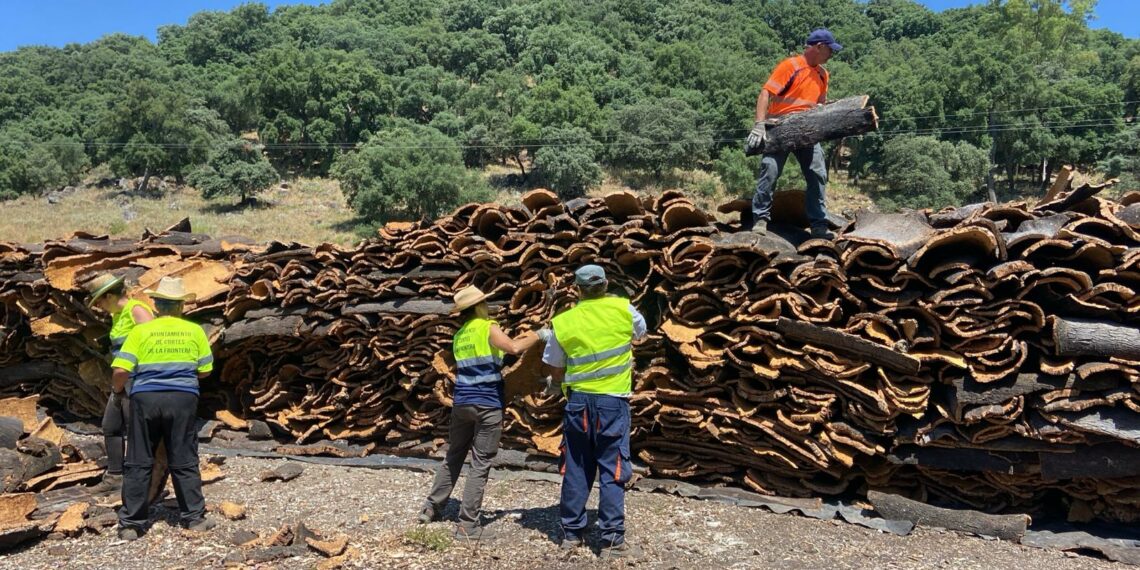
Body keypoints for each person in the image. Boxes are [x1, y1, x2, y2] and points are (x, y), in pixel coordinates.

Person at [418, 285, 549, 540]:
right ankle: (468, 525)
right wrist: (539, 334)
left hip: (462, 402)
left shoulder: (460, 335)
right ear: (478, 306)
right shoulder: (487, 327)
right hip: (487, 403)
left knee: (454, 456)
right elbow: (512, 348)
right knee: (480, 464)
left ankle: (431, 507)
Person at [542, 265, 647, 559]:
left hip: (578, 404)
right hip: (612, 403)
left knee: (576, 465)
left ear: (577, 289)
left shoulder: (564, 322)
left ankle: (572, 534)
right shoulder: (623, 309)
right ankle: (611, 542)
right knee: (613, 468)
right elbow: (642, 333)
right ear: (606, 284)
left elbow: (554, 365)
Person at [110, 277, 215, 541]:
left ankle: (131, 524)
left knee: (138, 458)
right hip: (182, 399)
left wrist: (117, 391)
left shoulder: (141, 332)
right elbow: (205, 371)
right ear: (180, 306)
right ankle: (194, 518)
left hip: (145, 398)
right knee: (184, 457)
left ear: (156, 305)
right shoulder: (195, 331)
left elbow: (121, 369)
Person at [744, 28, 842, 239]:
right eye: (830, 50)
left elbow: (819, 105)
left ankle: (818, 226)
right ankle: (760, 220)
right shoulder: (791, 66)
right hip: (779, 128)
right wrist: (759, 125)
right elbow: (765, 93)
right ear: (819, 47)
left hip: (807, 130)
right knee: (769, 171)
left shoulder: (823, 75)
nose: (832, 54)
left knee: (817, 174)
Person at [84, 273, 154, 490]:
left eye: (101, 301)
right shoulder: (118, 315)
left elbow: (152, 342)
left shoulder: (137, 310)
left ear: (111, 296)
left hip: (137, 378)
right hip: (122, 378)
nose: (100, 307)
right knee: (111, 425)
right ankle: (115, 476)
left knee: (135, 429)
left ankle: (138, 481)